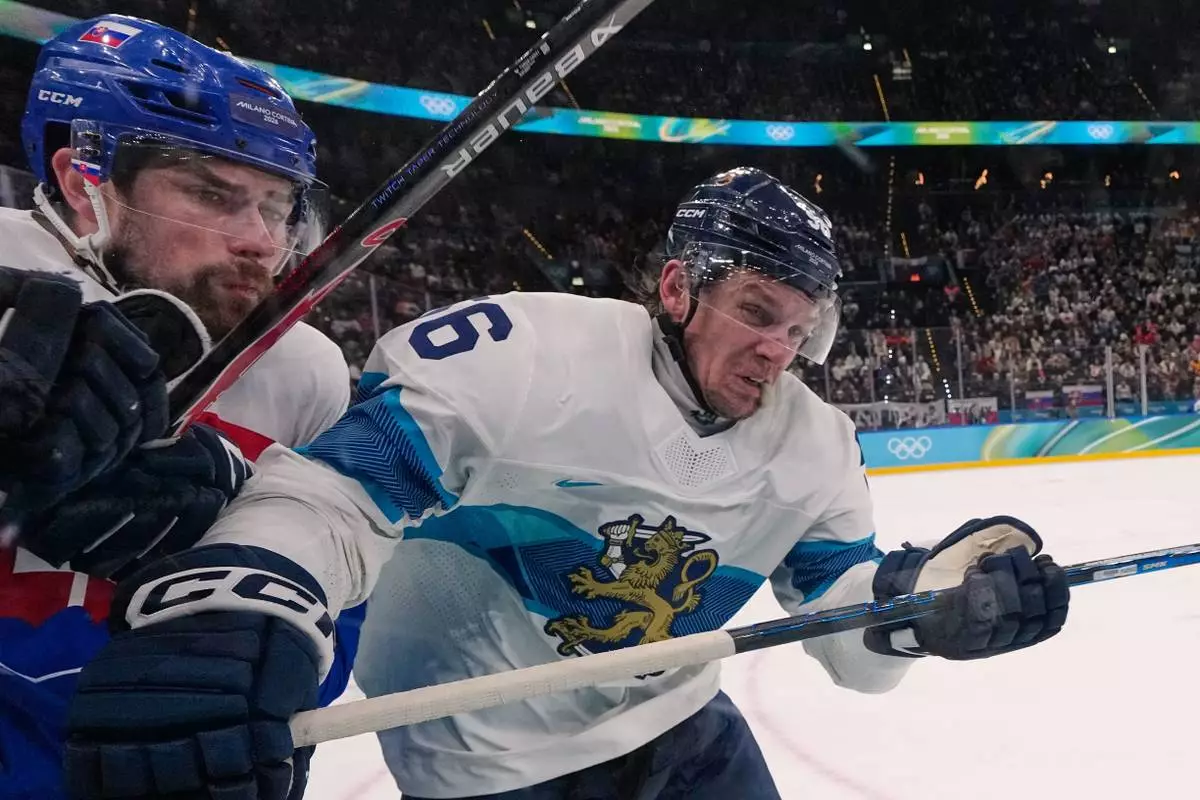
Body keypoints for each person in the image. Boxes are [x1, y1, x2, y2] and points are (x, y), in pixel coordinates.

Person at [66, 167, 1070, 800]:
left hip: (684, 733)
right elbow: (342, 490)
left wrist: (914, 609)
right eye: (758, 311)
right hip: (483, 760)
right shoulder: (526, 353)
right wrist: (242, 599)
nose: (778, 351)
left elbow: (840, 622)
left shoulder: (815, 439)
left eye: (800, 330)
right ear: (678, 288)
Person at [0, 15, 354, 799]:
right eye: (212, 193)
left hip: (150, 760)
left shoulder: (304, 372)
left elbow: (335, 605)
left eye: (277, 205)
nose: (261, 241)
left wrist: (258, 644)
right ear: (81, 180)